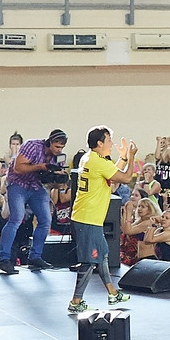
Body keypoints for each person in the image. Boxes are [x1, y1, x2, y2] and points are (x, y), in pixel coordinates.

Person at [66, 128, 133, 314]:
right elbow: (125, 177)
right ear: (100, 143)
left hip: (86, 216)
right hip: (88, 218)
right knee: (89, 260)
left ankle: (113, 292)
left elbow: (112, 176)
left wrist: (123, 159)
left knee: (102, 253)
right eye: (109, 140)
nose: (112, 143)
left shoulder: (89, 158)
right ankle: (76, 300)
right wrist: (131, 156)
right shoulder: (98, 162)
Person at [0, 129, 66, 275]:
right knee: (16, 218)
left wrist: (57, 179)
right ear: (49, 142)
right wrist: (41, 166)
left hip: (36, 186)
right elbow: (18, 167)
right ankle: (3, 258)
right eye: (57, 146)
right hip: (18, 184)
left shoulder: (59, 158)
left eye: (61, 148)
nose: (59, 150)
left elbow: (48, 181)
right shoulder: (32, 146)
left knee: (45, 220)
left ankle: (35, 256)